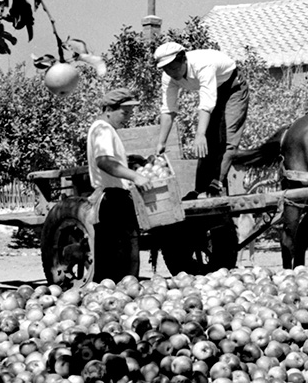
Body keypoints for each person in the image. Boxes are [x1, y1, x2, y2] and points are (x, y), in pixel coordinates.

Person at [153, 41, 249, 198]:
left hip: (233, 88)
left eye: (174, 67)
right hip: (214, 90)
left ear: (184, 59)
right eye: (167, 69)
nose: (172, 73)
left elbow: (206, 103)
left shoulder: (203, 65)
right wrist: (161, 143)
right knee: (209, 141)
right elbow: (169, 109)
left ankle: (216, 185)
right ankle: (200, 189)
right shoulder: (168, 77)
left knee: (228, 137)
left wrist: (199, 134)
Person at [86, 88, 151, 281]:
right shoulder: (103, 129)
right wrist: (135, 176)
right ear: (108, 109)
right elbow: (104, 161)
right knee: (118, 261)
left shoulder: (104, 130)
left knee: (115, 259)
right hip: (113, 200)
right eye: (124, 112)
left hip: (113, 198)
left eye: (130, 113)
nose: (128, 117)